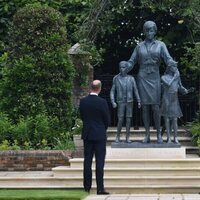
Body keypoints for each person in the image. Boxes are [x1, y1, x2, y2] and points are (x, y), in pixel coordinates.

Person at [127, 20, 173, 143]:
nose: (149, 32)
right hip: (142, 77)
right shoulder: (139, 46)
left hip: (155, 76)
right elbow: (132, 61)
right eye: (147, 30)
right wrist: (126, 66)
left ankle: (158, 134)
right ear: (144, 32)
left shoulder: (161, 45)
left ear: (155, 31)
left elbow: (168, 59)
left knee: (156, 107)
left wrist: (172, 65)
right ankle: (147, 135)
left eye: (151, 30)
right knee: (145, 107)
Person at [79, 80, 110, 195]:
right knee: (99, 162)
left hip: (87, 134)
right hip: (99, 134)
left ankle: (87, 187)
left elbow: (82, 116)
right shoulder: (102, 102)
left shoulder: (83, 102)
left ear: (90, 88)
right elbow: (107, 119)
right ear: (99, 89)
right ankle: (100, 188)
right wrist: (102, 128)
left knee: (87, 161)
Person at [160, 60, 194, 144]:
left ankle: (175, 138)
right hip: (166, 98)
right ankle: (168, 138)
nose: (176, 68)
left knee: (175, 119)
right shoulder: (164, 77)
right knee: (167, 119)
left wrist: (187, 90)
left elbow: (180, 87)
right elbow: (168, 84)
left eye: (176, 67)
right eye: (174, 66)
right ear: (170, 67)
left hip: (174, 99)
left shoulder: (177, 77)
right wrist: (174, 78)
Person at [110, 61, 141, 143]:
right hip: (120, 101)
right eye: (120, 67)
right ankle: (118, 136)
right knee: (120, 119)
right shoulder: (116, 78)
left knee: (128, 120)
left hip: (129, 101)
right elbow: (112, 91)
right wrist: (113, 101)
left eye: (123, 67)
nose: (122, 69)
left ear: (127, 68)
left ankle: (127, 137)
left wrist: (139, 100)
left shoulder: (131, 78)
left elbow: (135, 90)